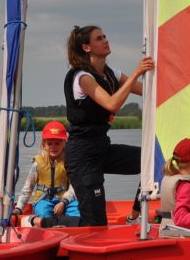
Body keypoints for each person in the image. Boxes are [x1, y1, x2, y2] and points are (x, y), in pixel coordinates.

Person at [64, 24, 154, 226]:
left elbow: (150, 92)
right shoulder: (82, 77)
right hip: (82, 155)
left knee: (152, 160)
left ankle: (134, 216)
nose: (105, 40)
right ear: (87, 48)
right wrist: (136, 73)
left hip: (101, 147)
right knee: (95, 221)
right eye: (99, 38)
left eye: (105, 36)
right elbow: (112, 104)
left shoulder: (112, 73)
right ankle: (49, 224)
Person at [12, 120, 81, 228]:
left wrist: (63, 202)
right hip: (44, 200)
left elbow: (74, 187)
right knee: (43, 212)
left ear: (64, 144)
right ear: (43, 145)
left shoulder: (69, 162)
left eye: (57, 143)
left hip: (65, 200)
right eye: (50, 143)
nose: (53, 147)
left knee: (78, 211)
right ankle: (50, 228)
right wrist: (19, 207)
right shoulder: (37, 164)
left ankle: (70, 229)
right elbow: (28, 188)